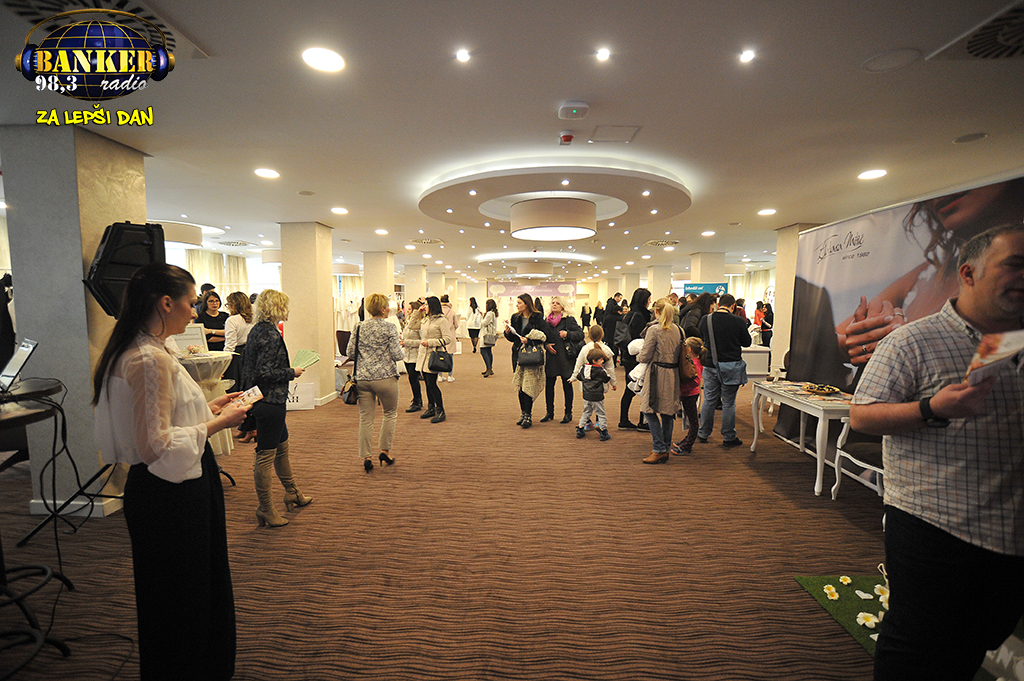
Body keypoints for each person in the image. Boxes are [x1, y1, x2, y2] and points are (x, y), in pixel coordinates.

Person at [849, 224, 1024, 681]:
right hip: (935, 524)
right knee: (918, 646)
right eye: (1015, 265)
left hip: (1011, 531)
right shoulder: (911, 341)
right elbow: (861, 417)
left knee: (978, 638)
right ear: (969, 273)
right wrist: (932, 408)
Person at [93, 264, 249, 680]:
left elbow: (163, 420)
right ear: (166, 303)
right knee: (184, 594)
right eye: (191, 303)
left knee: (181, 589)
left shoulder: (146, 349)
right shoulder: (149, 359)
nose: (195, 312)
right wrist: (219, 424)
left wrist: (209, 408)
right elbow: (155, 445)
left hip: (171, 485)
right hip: (171, 493)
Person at [835, 178, 1024, 367]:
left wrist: (905, 344)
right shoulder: (928, 274)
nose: (942, 194)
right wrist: (856, 343)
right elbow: (837, 337)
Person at [240, 289, 311, 528]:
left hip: (264, 399)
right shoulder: (269, 334)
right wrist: (292, 372)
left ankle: (292, 492)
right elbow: (265, 373)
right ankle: (265, 508)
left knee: (282, 447)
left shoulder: (257, 330)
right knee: (265, 454)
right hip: (269, 400)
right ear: (277, 307)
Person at [348, 293, 405, 473]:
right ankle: (385, 451)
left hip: (363, 378)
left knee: (366, 418)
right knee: (390, 413)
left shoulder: (358, 327)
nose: (389, 309)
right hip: (385, 377)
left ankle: (366, 457)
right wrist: (401, 348)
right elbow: (397, 355)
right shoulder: (389, 327)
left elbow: (350, 352)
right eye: (387, 306)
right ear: (382, 310)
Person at [697, 293, 751, 447]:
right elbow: (746, 342)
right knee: (728, 402)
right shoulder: (738, 321)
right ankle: (728, 436)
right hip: (731, 366)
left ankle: (703, 432)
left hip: (710, 365)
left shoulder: (706, 319)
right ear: (733, 306)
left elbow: (702, 337)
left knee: (709, 400)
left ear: (719, 304)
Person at [637, 297, 683, 464]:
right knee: (667, 412)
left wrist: (638, 354)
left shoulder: (654, 330)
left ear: (656, 311)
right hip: (673, 374)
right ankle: (664, 448)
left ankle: (659, 448)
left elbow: (644, 356)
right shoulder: (679, 329)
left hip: (657, 373)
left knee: (648, 409)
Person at [504, 293, 547, 427]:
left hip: (531, 354)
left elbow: (544, 336)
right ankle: (523, 412)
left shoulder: (537, 317)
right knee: (520, 385)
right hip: (518, 354)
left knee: (528, 385)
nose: (517, 305)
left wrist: (529, 340)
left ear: (526, 304)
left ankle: (528, 415)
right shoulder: (515, 317)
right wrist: (507, 332)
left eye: (519, 303)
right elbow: (513, 339)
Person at [541, 296, 584, 424]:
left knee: (567, 386)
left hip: (565, 358)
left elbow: (580, 334)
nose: (554, 305)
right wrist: (546, 345)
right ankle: (549, 412)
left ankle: (568, 413)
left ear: (563, 306)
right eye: (553, 303)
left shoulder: (568, 320)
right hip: (551, 358)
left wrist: (567, 334)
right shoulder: (547, 321)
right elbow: (542, 337)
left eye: (557, 303)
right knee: (549, 386)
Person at [616, 288, 653, 430]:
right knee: (640, 388)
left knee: (630, 388)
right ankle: (642, 422)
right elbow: (641, 338)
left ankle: (624, 419)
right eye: (648, 299)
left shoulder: (629, 314)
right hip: (636, 358)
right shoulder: (640, 316)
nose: (650, 302)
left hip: (627, 356)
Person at [416, 296, 454, 423]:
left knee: (432, 384)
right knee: (427, 384)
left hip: (433, 354)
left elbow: (447, 339)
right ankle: (431, 407)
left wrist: (431, 342)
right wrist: (417, 313)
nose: (424, 307)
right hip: (423, 355)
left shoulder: (442, 320)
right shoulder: (425, 319)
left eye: (426, 304)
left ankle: (440, 410)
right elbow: (412, 326)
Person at [672, 336, 705, 455]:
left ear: (689, 349)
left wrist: (683, 389)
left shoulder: (694, 364)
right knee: (691, 420)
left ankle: (687, 446)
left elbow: (696, 381)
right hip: (688, 394)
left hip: (690, 394)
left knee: (693, 421)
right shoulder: (693, 362)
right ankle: (686, 441)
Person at [575, 347, 614, 441]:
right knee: (601, 413)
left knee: (586, 412)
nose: (602, 361)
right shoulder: (600, 371)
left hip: (587, 395)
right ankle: (603, 431)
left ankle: (580, 428)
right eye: (601, 359)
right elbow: (606, 379)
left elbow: (579, 377)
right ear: (595, 360)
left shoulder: (583, 368)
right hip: (597, 395)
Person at [223, 291, 253, 393]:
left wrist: (224, 364)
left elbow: (230, 345)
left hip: (237, 356)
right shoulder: (254, 318)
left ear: (233, 305)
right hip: (251, 354)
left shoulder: (232, 320)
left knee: (236, 389)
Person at [401, 300, 425, 412]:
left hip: (416, 355)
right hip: (408, 355)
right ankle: (417, 399)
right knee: (412, 379)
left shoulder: (420, 324)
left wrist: (407, 342)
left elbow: (422, 341)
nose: (407, 311)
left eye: (410, 309)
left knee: (414, 379)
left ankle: (417, 401)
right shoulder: (409, 322)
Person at [439, 294, 458, 381]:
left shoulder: (438, 312)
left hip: (440, 335)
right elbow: (456, 324)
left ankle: (440, 375)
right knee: (450, 356)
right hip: (450, 335)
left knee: (440, 356)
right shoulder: (452, 312)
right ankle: (450, 375)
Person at [602, 293, 623, 365]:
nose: (620, 300)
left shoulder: (608, 316)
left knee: (609, 347)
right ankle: (614, 362)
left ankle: (609, 361)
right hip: (617, 335)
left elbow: (604, 325)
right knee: (615, 348)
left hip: (609, 334)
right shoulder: (620, 318)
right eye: (620, 298)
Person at [480, 298, 498, 377]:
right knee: (488, 351)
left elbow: (484, 323)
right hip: (490, 334)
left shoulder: (489, 314)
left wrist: (480, 318)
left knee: (483, 351)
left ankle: (489, 368)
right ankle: (489, 368)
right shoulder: (493, 313)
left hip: (486, 334)